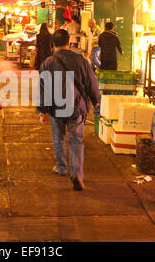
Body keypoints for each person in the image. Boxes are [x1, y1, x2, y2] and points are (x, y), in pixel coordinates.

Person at [37, 29, 101, 191]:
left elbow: (43, 88)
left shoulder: (47, 63)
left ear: (53, 44)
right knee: (76, 141)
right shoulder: (81, 60)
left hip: (56, 108)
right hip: (76, 107)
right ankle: (77, 173)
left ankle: (61, 167)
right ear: (69, 42)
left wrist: (42, 111)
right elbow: (91, 82)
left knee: (58, 138)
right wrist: (96, 101)